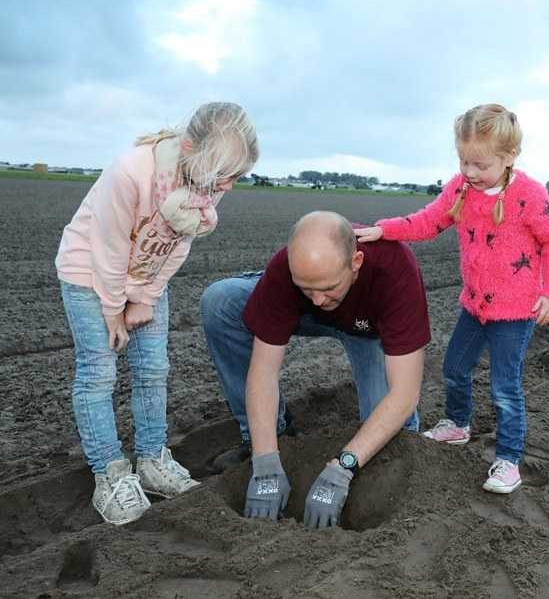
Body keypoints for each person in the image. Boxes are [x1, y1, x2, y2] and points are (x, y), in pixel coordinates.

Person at [55, 102, 260, 525]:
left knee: (153, 369)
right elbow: (109, 247)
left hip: (147, 276)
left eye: (236, 176)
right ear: (189, 149)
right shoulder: (131, 172)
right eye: (224, 175)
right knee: (98, 374)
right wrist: (114, 309)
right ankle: (110, 475)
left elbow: (179, 244)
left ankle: (152, 461)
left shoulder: (208, 178)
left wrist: (145, 297)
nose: (228, 185)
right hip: (91, 274)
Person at [355, 104, 549, 495]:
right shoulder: (459, 189)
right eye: (463, 161)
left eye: (480, 164)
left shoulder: (529, 195)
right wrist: (384, 231)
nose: (469, 172)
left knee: (505, 387)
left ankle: (508, 460)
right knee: (454, 367)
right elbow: (428, 221)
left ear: (509, 157)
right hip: (475, 308)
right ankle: (457, 424)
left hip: (515, 313)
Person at [200, 211, 429, 529]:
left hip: (368, 329)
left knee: (392, 440)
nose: (318, 299)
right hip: (304, 317)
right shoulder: (289, 271)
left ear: (356, 262)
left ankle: (394, 457)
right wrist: (265, 461)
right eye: (307, 289)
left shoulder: (395, 269)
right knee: (220, 301)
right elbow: (264, 371)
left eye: (328, 287)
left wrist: (344, 467)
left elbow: (404, 393)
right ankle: (270, 438)